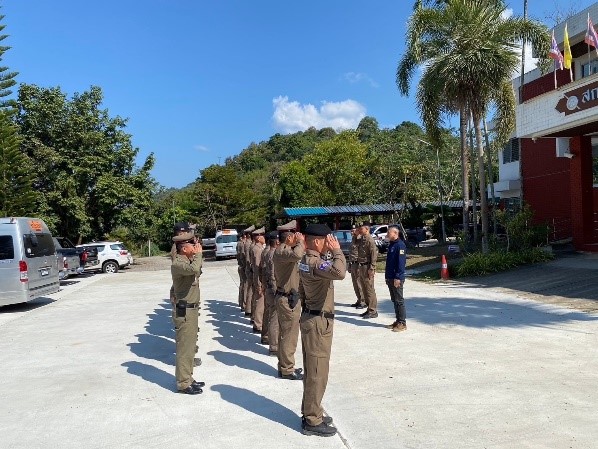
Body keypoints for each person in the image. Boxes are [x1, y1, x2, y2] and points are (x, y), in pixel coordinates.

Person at [298, 224, 346, 437]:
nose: (330, 243)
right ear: (317, 242)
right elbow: (340, 272)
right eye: (327, 240)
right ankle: (312, 419)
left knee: (313, 370)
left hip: (312, 316)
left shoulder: (305, 261)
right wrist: (337, 251)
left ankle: (312, 410)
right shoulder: (316, 263)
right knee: (317, 372)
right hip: (318, 322)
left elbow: (302, 289)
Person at [171, 231, 205, 395]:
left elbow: (197, 270)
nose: (195, 246)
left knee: (190, 347)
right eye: (192, 244)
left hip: (191, 309)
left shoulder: (187, 261)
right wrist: (198, 255)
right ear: (184, 249)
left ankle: (188, 377)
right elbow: (194, 268)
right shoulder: (178, 263)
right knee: (184, 348)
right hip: (184, 310)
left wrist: (196, 255)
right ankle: (183, 383)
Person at [273, 220, 304, 380]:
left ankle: (284, 365)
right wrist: (300, 242)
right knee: (289, 336)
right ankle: (287, 369)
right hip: (287, 299)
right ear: (290, 238)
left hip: (287, 297)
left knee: (286, 334)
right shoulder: (282, 251)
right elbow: (298, 254)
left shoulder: (284, 251)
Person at [385, 225, 407, 332]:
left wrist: (398, 277)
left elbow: (401, 263)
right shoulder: (392, 244)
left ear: (395, 233)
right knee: (394, 300)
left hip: (396, 278)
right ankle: (398, 321)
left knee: (399, 300)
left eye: (389, 232)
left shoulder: (400, 245)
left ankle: (402, 323)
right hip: (390, 277)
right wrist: (387, 276)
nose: (387, 234)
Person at [260, 231, 279, 352]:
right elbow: (272, 275)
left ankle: (266, 336)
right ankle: (274, 346)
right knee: (274, 317)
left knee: (269, 313)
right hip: (273, 289)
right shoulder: (273, 255)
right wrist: (277, 291)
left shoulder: (267, 252)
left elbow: (263, 270)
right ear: (277, 242)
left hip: (268, 287)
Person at [356, 222, 379, 319]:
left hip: (367, 266)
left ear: (367, 229)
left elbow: (374, 255)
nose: (360, 230)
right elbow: (355, 243)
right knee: (364, 288)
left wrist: (372, 268)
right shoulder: (362, 238)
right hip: (361, 266)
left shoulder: (370, 240)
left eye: (361, 228)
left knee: (369, 289)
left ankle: (373, 310)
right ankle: (369, 308)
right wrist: (355, 235)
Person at [250, 227, 266, 333]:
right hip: (258, 278)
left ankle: (256, 320)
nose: (264, 238)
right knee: (260, 302)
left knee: (258, 300)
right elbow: (257, 268)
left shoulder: (257, 248)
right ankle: (258, 324)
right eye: (263, 236)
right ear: (259, 238)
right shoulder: (257, 249)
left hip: (257, 278)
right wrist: (259, 284)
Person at [348, 225, 365, 309]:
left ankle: (363, 301)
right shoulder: (353, 239)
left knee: (359, 283)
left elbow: (361, 253)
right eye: (351, 231)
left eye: (353, 231)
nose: (352, 232)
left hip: (358, 264)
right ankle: (359, 299)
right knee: (355, 284)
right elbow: (351, 254)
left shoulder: (360, 239)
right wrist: (349, 265)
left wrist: (359, 265)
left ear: (357, 231)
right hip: (352, 264)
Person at [243, 225, 255, 317]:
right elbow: (248, 258)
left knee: (249, 288)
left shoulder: (248, 243)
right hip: (250, 268)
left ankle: (248, 308)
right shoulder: (248, 244)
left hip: (248, 268)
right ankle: (249, 309)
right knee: (251, 289)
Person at [236, 232, 247, 309]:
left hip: (241, 266)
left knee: (242, 284)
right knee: (245, 285)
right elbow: (243, 255)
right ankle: (244, 303)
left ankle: (241, 301)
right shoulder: (242, 244)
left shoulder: (238, 244)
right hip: (243, 266)